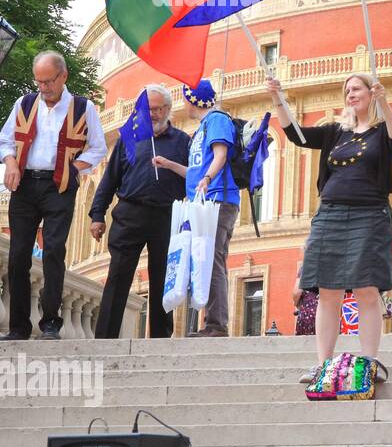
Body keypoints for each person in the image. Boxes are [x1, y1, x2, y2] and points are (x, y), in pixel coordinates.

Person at [266, 71, 392, 390]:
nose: (350, 94)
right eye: (347, 90)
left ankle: (369, 364)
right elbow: (297, 135)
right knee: (327, 291)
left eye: (356, 88)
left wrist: (385, 105)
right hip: (329, 214)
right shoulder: (334, 132)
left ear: (371, 93)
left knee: (367, 290)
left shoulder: (382, 132)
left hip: (369, 214)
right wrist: (279, 98)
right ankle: (323, 365)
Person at [0, 51, 107, 340]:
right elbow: (5, 139)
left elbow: (98, 149)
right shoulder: (24, 103)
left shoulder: (84, 108)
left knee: (53, 251)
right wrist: (10, 162)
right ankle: (19, 326)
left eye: (48, 81)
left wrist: (73, 168)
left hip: (59, 186)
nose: (43, 87)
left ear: (63, 77)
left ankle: (50, 322)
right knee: (19, 255)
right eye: (39, 82)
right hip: (24, 184)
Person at [91, 85, 190, 339]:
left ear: (168, 110)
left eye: (157, 109)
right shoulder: (129, 139)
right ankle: (105, 337)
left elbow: (194, 179)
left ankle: (160, 338)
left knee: (162, 278)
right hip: (129, 214)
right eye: (148, 109)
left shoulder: (182, 141)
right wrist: (97, 214)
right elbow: (109, 179)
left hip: (166, 215)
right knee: (118, 275)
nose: (153, 114)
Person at [150, 79, 240, 337]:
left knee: (212, 260)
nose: (184, 103)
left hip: (217, 200)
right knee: (205, 260)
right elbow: (196, 172)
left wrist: (208, 179)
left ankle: (216, 325)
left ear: (194, 100)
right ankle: (211, 323)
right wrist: (169, 164)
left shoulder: (217, 120)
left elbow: (220, 156)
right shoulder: (202, 128)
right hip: (205, 199)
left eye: (186, 97)